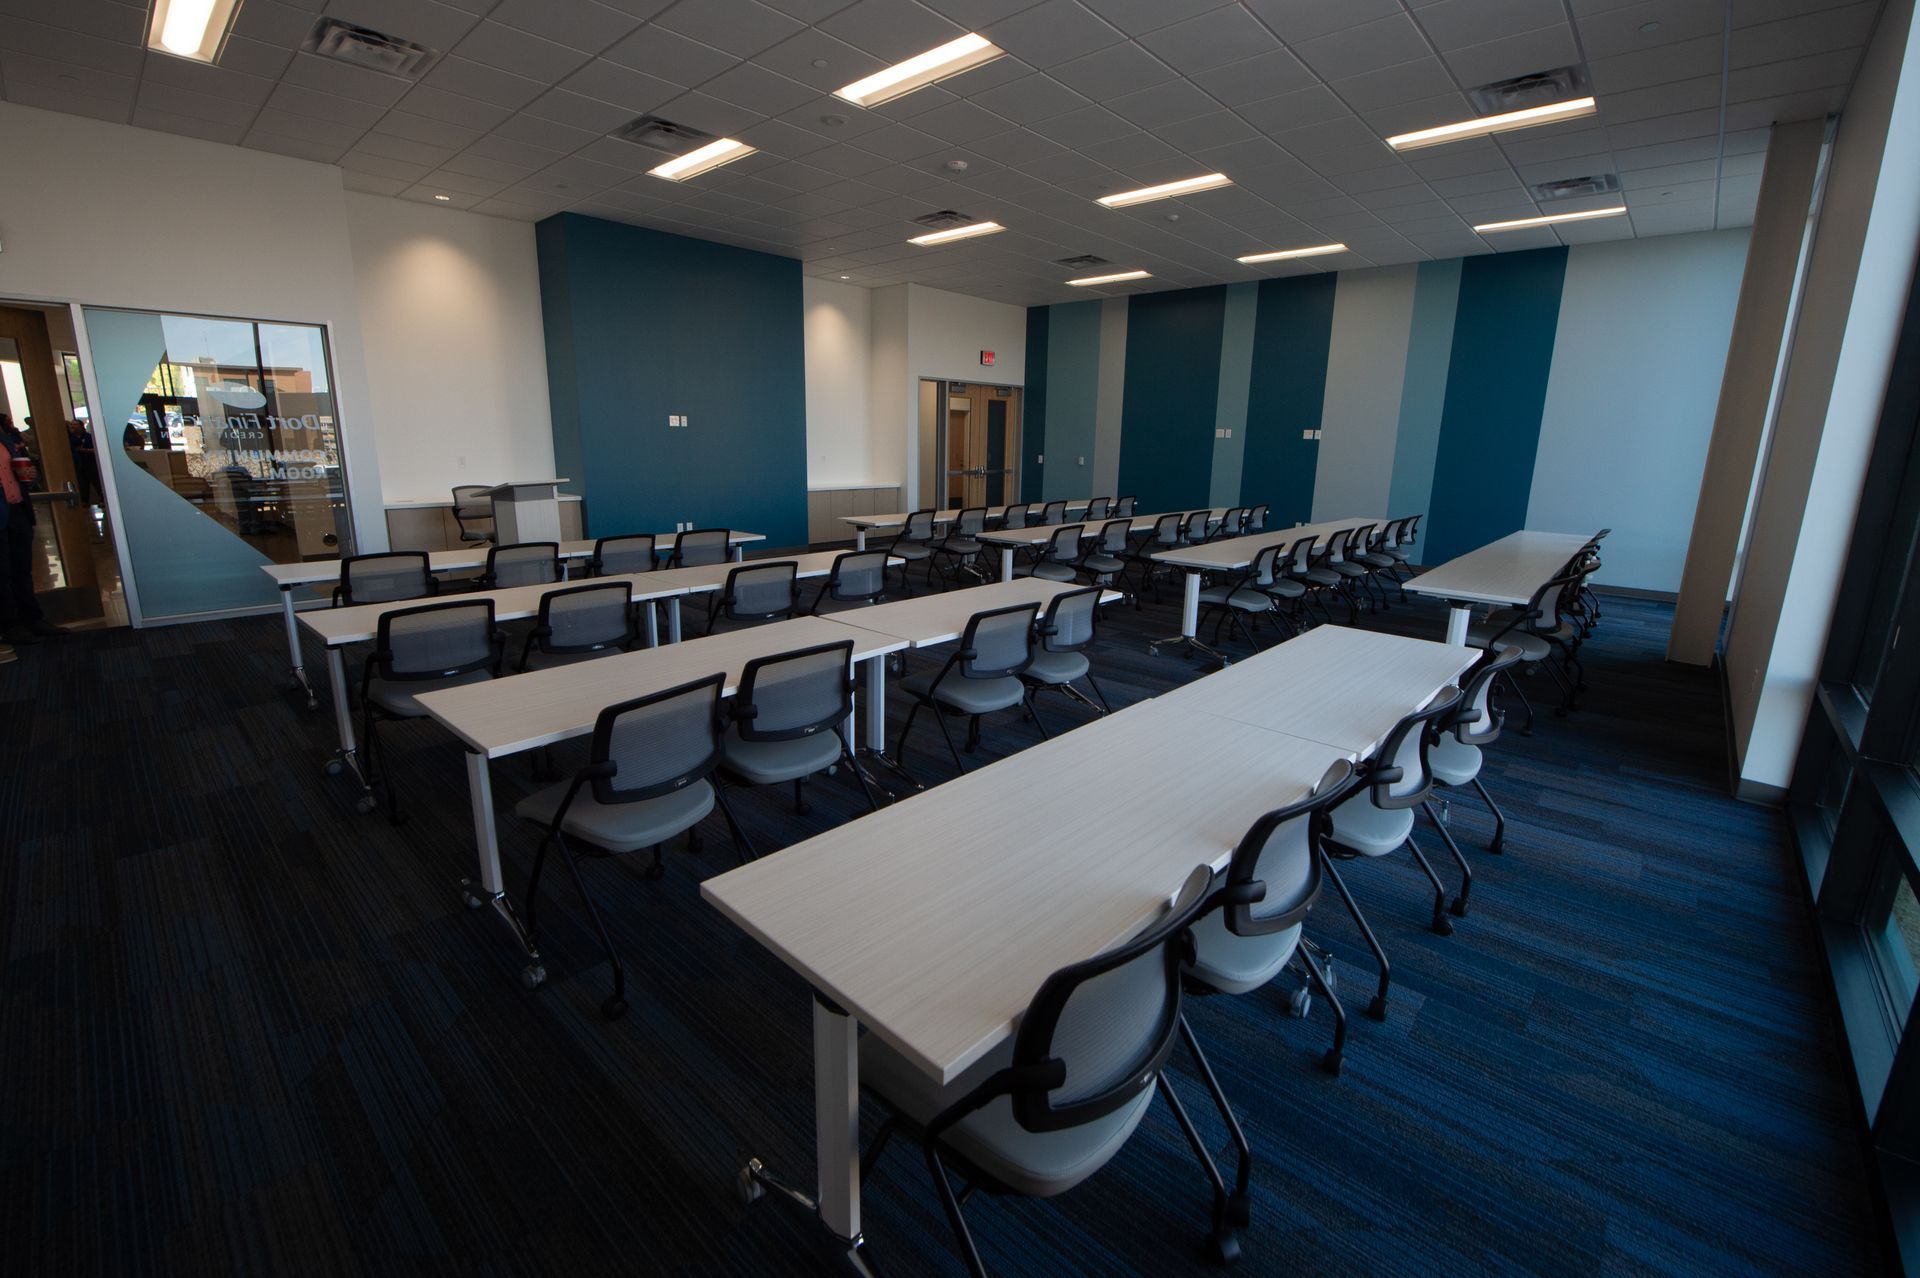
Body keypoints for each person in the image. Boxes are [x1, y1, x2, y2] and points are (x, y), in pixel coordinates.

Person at [0, 414, 62, 644]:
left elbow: (20, 472)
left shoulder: (5, 441)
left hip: (17, 512)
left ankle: (33, 619)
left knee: (22, 570)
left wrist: (29, 477)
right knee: (2, 574)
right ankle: (10, 626)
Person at [67, 419, 100, 508]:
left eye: (75, 424)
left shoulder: (89, 437)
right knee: (82, 484)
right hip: (78, 464)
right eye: (72, 425)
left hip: (90, 462)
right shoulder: (70, 438)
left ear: (81, 426)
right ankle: (84, 501)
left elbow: (96, 449)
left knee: (96, 482)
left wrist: (84, 450)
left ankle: (102, 499)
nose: (73, 426)